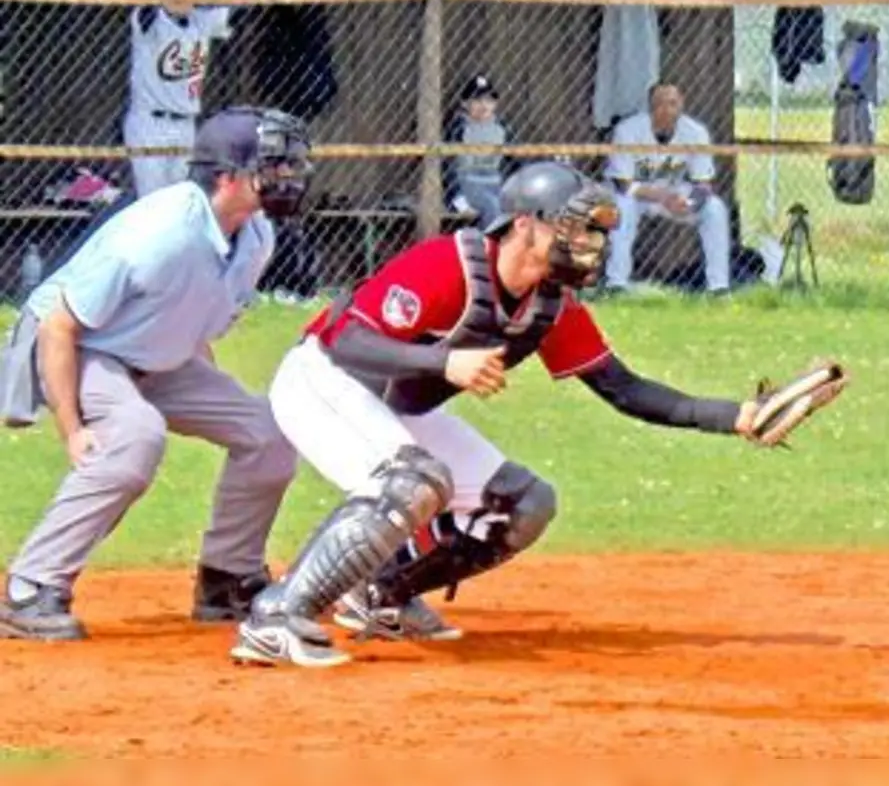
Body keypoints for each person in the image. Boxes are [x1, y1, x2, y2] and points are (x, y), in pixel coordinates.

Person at [230, 161, 845, 668]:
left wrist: (736, 415)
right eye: (573, 230)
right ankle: (277, 616)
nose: (587, 245)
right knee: (414, 481)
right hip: (321, 381)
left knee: (524, 504)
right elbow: (347, 341)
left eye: (593, 233)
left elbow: (624, 389)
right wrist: (445, 362)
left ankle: (380, 596)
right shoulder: (449, 265)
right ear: (524, 226)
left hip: (388, 408)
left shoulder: (551, 306)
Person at [0, 106, 314, 641]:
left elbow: (191, 322)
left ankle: (227, 581)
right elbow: (59, 324)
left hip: (151, 353)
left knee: (269, 433)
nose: (288, 178)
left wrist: (209, 399)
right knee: (134, 437)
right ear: (227, 177)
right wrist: (74, 430)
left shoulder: (255, 235)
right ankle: (30, 588)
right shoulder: (160, 233)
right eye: (273, 166)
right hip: (80, 344)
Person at [123, 0, 290, 197]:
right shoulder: (151, 21)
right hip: (149, 122)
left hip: (185, 124)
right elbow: (146, 0)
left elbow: (238, 9)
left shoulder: (200, 22)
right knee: (150, 202)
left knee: (177, 201)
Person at [602, 82, 733, 295]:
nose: (666, 109)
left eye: (672, 103)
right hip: (636, 194)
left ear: (681, 104)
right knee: (622, 207)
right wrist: (661, 196)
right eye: (659, 103)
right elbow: (622, 183)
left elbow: (703, 183)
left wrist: (688, 203)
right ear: (650, 106)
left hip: (673, 193)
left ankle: (718, 287)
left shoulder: (695, 132)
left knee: (715, 208)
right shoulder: (628, 130)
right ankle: (616, 284)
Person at [444, 73, 519, 228]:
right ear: (465, 103)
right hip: (469, 185)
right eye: (477, 100)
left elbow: (517, 162)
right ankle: (492, 247)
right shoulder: (459, 128)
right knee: (491, 206)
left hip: (496, 183)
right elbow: (447, 167)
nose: (484, 106)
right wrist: (457, 197)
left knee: (512, 207)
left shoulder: (502, 128)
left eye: (489, 100)